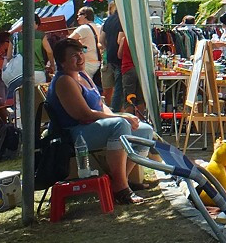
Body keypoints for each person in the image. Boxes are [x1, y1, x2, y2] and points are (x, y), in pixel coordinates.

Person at [45, 37, 156, 205]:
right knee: (120, 125)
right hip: (73, 135)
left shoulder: (82, 75)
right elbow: (84, 115)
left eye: (81, 53)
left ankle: (119, 181)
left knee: (145, 130)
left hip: (91, 128)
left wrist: (120, 116)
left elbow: (101, 105)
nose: (80, 58)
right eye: (74, 55)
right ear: (62, 61)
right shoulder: (64, 81)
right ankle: (121, 188)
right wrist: (121, 117)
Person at [68, 6, 103, 90]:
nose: (77, 18)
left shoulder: (83, 28)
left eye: (79, 15)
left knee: (84, 88)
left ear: (85, 15)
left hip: (87, 64)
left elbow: (67, 41)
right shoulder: (99, 26)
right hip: (99, 63)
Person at [100, 1, 123, 108]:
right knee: (119, 90)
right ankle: (116, 113)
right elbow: (120, 40)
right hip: (120, 59)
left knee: (109, 89)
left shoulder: (108, 20)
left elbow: (101, 40)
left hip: (109, 58)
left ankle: (110, 110)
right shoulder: (122, 20)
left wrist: (108, 49)